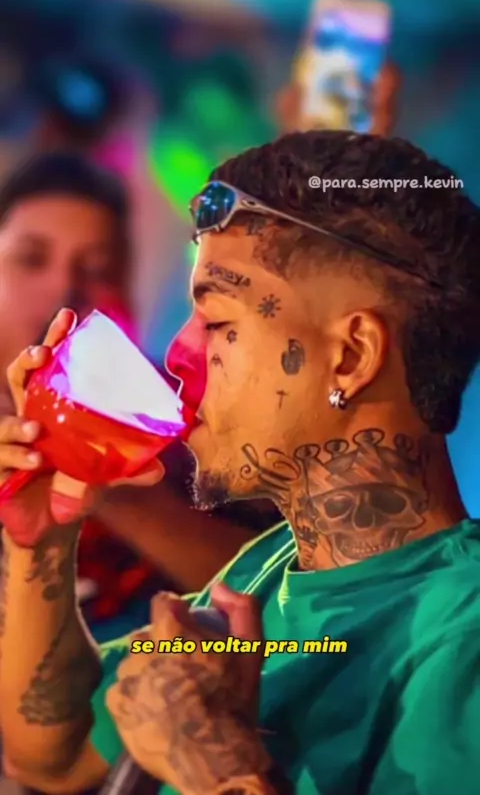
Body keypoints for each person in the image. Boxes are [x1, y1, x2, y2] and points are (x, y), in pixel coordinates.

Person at [2, 129, 480, 795]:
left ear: (351, 356)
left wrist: (219, 764)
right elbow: (55, 752)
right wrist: (43, 543)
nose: (178, 354)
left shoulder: (462, 636)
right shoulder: (266, 572)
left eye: (219, 321)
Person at [0, 152, 265, 618]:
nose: (63, 287)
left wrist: (113, 482)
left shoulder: (196, 410)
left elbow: (281, 599)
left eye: (97, 269)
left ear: (126, 288)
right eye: (31, 259)